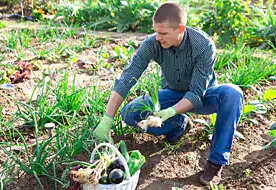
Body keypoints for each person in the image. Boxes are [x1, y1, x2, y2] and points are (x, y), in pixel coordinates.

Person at [92, 1, 244, 186]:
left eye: (163, 33)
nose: (158, 38)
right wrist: (108, 118)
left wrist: (170, 111)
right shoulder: (152, 43)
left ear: (180, 29)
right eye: (156, 32)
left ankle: (215, 163)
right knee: (130, 113)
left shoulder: (203, 45)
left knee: (232, 94)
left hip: (205, 96)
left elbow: (196, 94)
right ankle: (178, 126)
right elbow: (128, 78)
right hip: (172, 93)